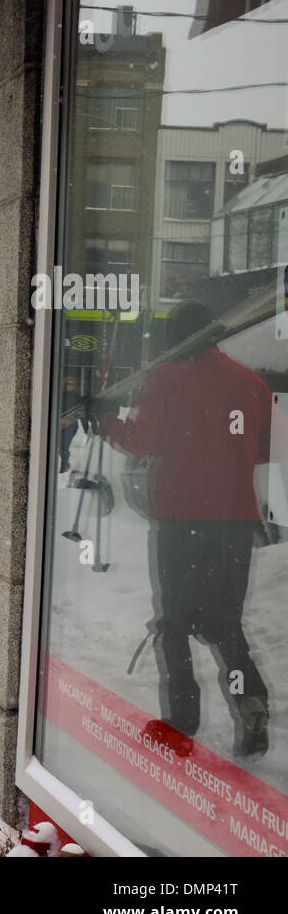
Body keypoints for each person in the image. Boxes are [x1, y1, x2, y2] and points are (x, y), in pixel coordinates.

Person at [97, 301, 270, 759]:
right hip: (234, 521)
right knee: (226, 622)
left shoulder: (166, 377)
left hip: (181, 519)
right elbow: (267, 444)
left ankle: (181, 724)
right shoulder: (251, 381)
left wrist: (105, 420)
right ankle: (251, 702)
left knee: (174, 622)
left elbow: (140, 443)